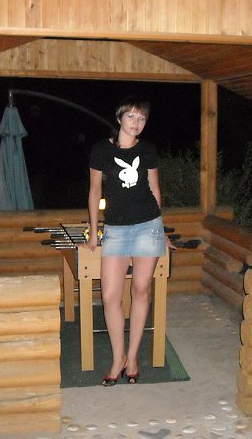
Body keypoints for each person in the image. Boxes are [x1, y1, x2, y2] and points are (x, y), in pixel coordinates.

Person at [86, 96, 175, 386]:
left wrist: (161, 229)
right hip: (115, 230)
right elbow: (95, 191)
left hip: (148, 226)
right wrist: (94, 232)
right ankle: (118, 357)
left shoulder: (147, 150)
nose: (137, 123)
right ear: (119, 118)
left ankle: (132, 357)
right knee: (110, 296)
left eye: (142, 118)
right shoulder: (101, 150)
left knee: (141, 290)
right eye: (131, 117)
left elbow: (154, 189)